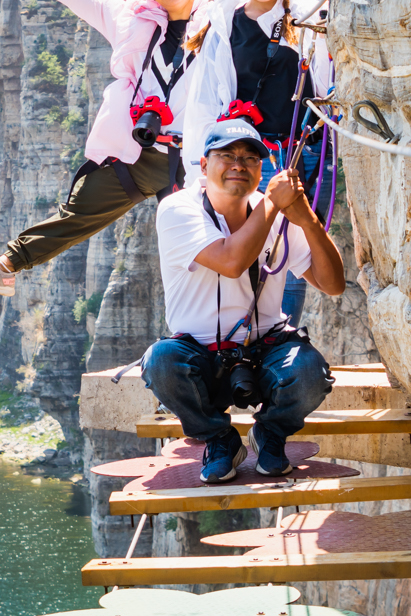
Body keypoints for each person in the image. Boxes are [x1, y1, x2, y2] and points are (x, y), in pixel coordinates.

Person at [0, 0, 209, 295]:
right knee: (80, 210)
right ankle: (6, 267)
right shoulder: (135, 22)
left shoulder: (221, 22)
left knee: (198, 249)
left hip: (197, 161)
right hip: (140, 150)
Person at [142, 118, 344, 483]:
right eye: (227, 155)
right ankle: (219, 439)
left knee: (311, 370)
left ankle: (271, 432)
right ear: (204, 166)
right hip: (199, 355)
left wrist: (307, 220)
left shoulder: (276, 214)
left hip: (264, 347)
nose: (239, 164)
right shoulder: (177, 210)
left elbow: (333, 284)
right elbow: (232, 261)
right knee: (160, 362)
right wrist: (273, 203)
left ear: (260, 168)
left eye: (251, 158)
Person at [178, 0, 335, 322]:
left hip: (305, 154)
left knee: (294, 245)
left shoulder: (312, 17)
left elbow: (332, 88)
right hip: (251, 156)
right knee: (248, 247)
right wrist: (200, 165)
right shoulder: (225, 24)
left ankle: (280, 333)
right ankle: (240, 344)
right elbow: (206, 101)